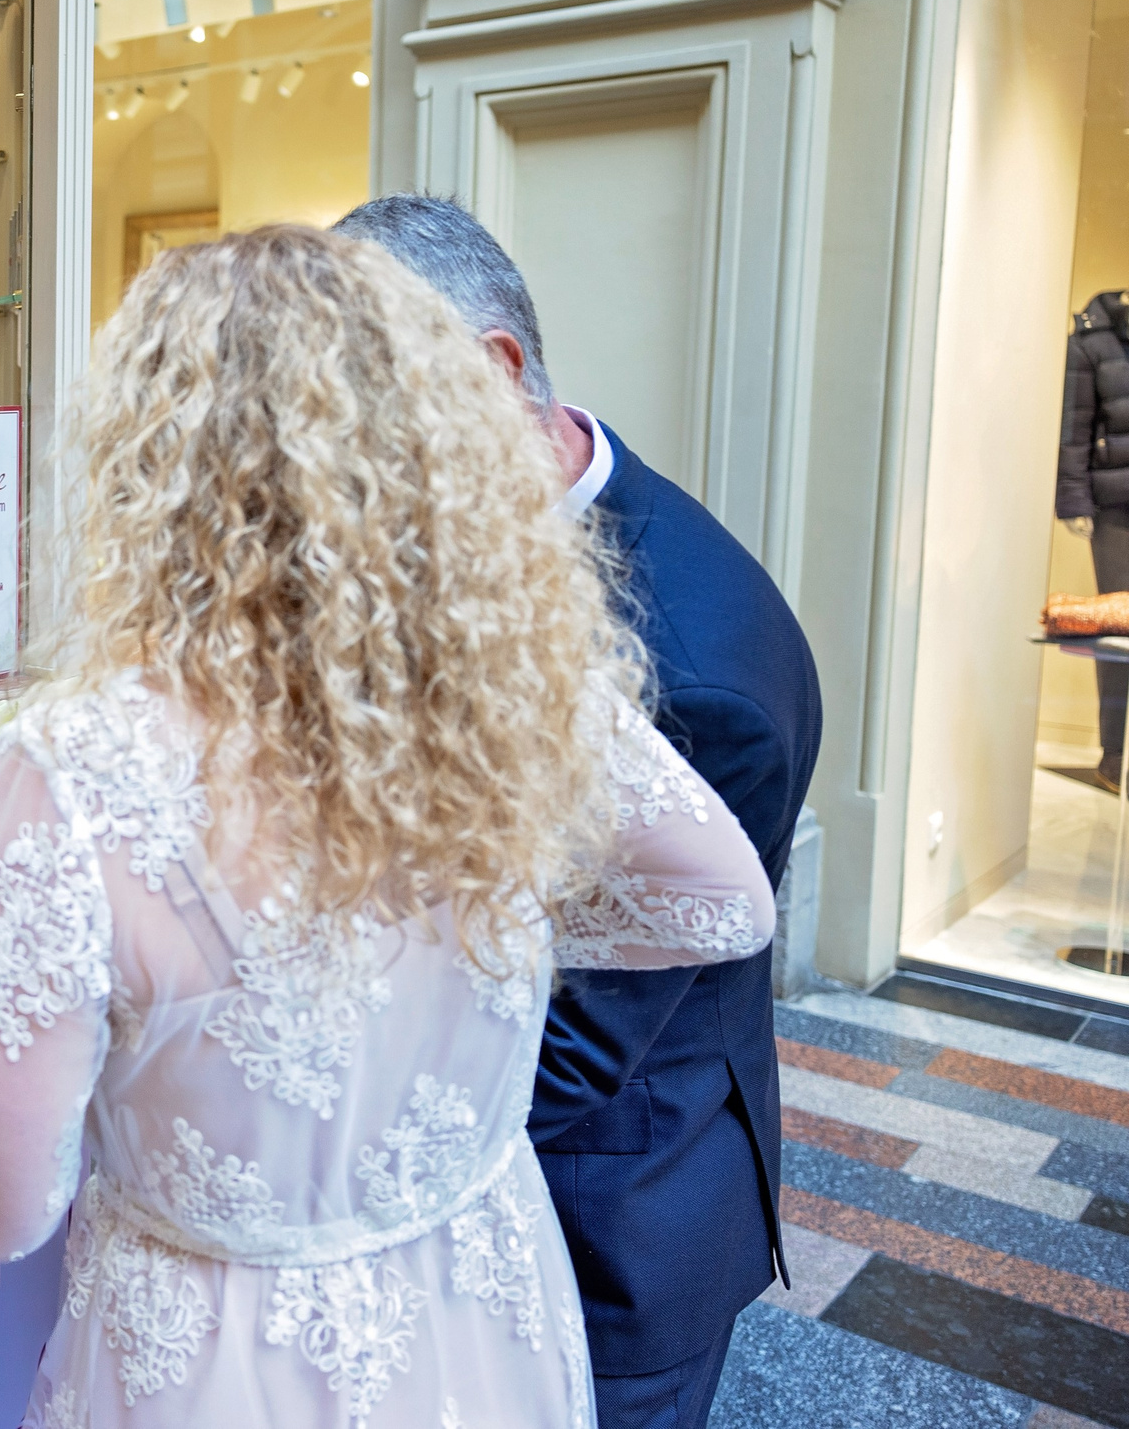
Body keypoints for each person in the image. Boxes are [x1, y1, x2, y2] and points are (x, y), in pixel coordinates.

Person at [0, 223, 776, 1428]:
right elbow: (718, 902)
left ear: (152, 464)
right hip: (475, 1314)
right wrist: (499, 924)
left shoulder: (80, 764)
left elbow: (1, 1206)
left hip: (219, 1357)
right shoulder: (515, 680)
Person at [336, 193, 822, 1429]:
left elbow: (583, 1042)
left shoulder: (686, 668)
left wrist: (328, 1139)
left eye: (361, 413)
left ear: (492, 371)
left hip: (614, 1216)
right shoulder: (492, 534)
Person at [1056, 289, 1129, 791]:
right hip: (1115, 510)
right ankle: (1113, 759)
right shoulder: (1092, 338)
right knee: (1118, 634)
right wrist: (1075, 501)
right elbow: (1074, 426)